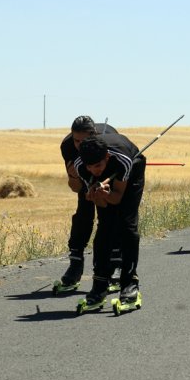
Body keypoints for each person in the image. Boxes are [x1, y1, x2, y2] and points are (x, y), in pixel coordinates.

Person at [74, 134, 146, 310]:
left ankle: (129, 284)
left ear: (106, 157)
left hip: (132, 170)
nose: (94, 171)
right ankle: (99, 286)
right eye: (89, 167)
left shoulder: (124, 161)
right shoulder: (81, 167)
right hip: (109, 176)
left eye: (97, 166)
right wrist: (96, 195)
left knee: (127, 225)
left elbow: (117, 198)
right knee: (105, 225)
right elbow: (103, 207)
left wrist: (107, 194)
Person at [58, 116, 120, 289]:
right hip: (85, 177)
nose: (79, 145)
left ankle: (115, 263)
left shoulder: (107, 141)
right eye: (76, 140)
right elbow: (76, 188)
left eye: (83, 141)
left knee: (109, 214)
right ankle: (76, 263)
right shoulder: (68, 146)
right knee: (83, 214)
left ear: (93, 135)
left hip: (107, 174)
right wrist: (73, 175)